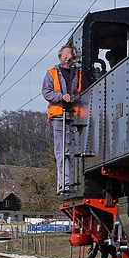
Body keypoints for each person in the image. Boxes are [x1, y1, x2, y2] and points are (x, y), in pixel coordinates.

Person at [42, 45, 82, 194]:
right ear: (60, 57)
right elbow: (46, 92)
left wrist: (75, 97)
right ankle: (64, 184)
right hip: (59, 116)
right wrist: (61, 97)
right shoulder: (51, 73)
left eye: (70, 57)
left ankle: (72, 182)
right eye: (65, 56)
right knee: (61, 151)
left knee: (73, 151)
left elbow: (83, 91)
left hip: (75, 115)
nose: (67, 59)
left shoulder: (79, 73)